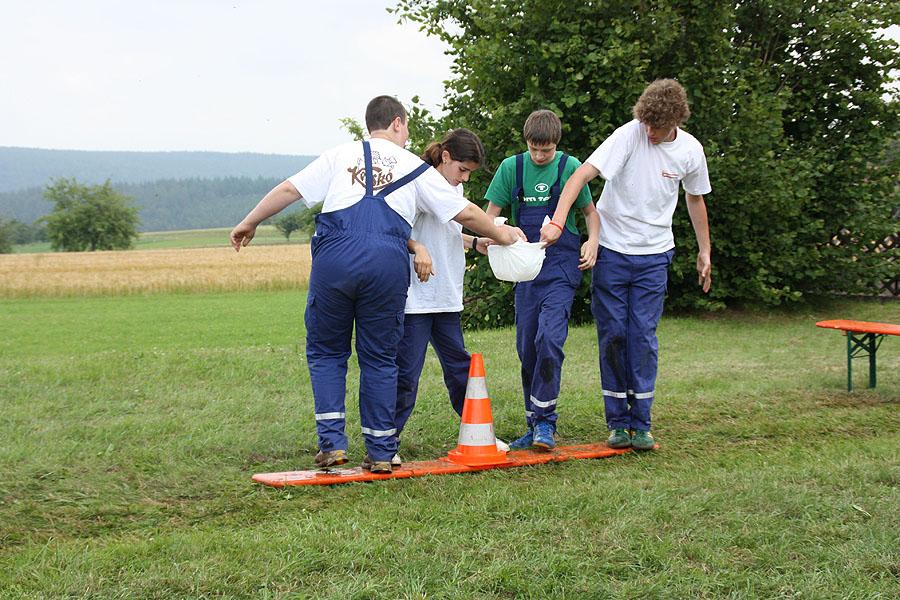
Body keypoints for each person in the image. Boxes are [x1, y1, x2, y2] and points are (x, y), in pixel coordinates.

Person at [230, 96, 521, 474]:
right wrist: (501, 235)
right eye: (407, 129)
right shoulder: (416, 167)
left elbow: (289, 190)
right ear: (398, 123)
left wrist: (250, 221)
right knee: (381, 357)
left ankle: (332, 443)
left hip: (334, 256)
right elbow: (464, 212)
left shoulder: (339, 154)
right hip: (386, 260)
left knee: (327, 352)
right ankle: (382, 449)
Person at [540, 78, 712, 451]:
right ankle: (618, 422)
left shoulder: (690, 151)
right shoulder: (628, 135)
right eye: (646, 123)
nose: (649, 132)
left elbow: (695, 201)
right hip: (614, 253)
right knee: (614, 334)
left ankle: (643, 422)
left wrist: (705, 251)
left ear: (676, 121)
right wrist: (557, 219)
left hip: (654, 256)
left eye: (657, 127)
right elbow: (581, 175)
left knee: (643, 336)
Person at [482, 109, 601, 451]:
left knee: (549, 338)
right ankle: (533, 422)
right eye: (534, 149)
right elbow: (488, 217)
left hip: (562, 267)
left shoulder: (570, 167)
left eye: (545, 151)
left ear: (556, 146)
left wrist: (592, 241)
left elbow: (590, 214)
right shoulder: (511, 168)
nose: (539, 156)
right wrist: (501, 231)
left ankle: (547, 423)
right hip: (526, 269)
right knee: (526, 346)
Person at [393, 128, 512, 466]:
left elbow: (448, 231)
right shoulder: (419, 183)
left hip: (446, 296)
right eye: (462, 168)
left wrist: (477, 242)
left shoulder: (453, 187)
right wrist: (418, 249)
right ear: (445, 157)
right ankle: (388, 440)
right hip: (416, 297)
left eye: (470, 172)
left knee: (460, 368)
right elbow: (397, 231)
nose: (465, 176)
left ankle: (478, 432)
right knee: (406, 374)